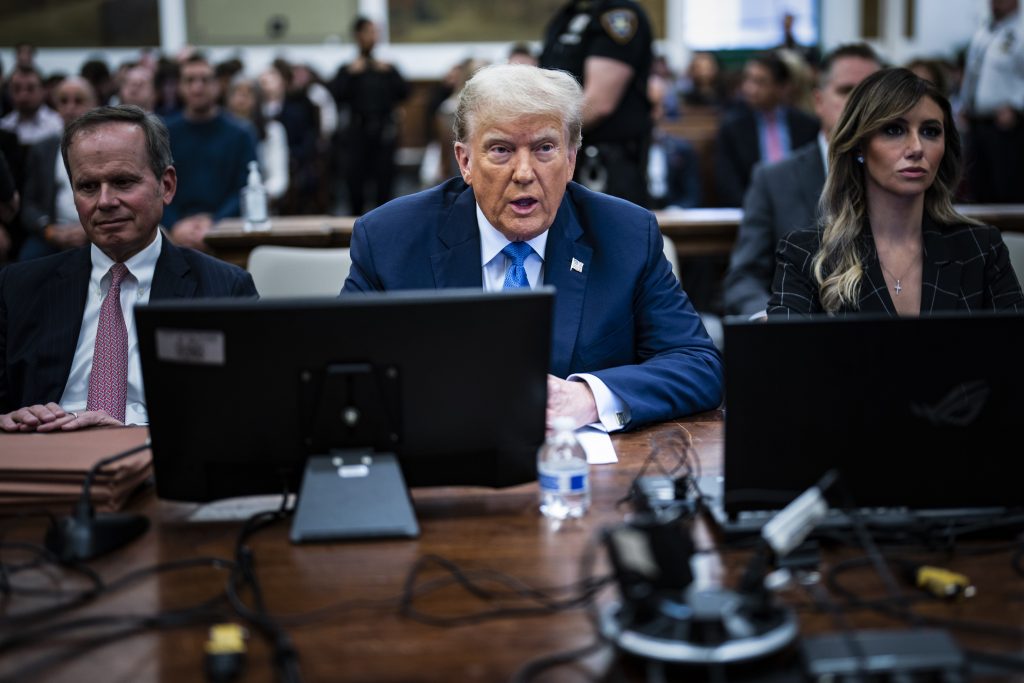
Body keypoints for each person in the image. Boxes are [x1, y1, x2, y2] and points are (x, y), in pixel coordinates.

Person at [342, 64, 723, 430]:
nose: (524, 173)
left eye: (544, 148)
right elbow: (345, 374)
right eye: (501, 150)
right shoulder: (391, 239)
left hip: (582, 463)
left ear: (570, 160)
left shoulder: (625, 235)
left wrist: (588, 398)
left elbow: (698, 365)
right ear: (465, 161)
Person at [0, 105, 258, 432]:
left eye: (122, 182)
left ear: (166, 185)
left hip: (156, 453)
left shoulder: (223, 291)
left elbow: (246, 416)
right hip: (46, 452)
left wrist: (134, 432)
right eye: (88, 187)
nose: (105, 201)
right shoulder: (18, 289)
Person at [767, 68, 1024, 318]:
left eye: (930, 131)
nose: (916, 148)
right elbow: (786, 347)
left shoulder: (980, 248)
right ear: (859, 146)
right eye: (894, 130)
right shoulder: (806, 253)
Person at [723, 44, 882, 317]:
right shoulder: (774, 179)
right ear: (819, 101)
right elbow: (744, 277)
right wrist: (771, 319)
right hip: (797, 328)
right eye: (847, 91)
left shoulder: (902, 176)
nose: (860, 104)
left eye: (872, 93)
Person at [539, 0, 654, 207]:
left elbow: (598, 104)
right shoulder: (568, 15)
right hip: (564, 153)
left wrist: (540, 133)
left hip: (607, 164)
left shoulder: (618, 14)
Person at [162, 53, 257, 250]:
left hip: (228, 232)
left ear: (217, 86)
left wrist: (215, 223)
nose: (197, 87)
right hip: (174, 234)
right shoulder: (163, 132)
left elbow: (245, 187)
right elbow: (155, 185)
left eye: (205, 80)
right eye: (190, 80)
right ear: (180, 87)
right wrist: (175, 225)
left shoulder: (241, 133)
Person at [714, 52, 819, 207]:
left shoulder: (807, 125)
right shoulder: (732, 126)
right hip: (750, 208)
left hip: (801, 209)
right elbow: (728, 183)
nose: (750, 89)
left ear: (783, 87)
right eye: (747, 80)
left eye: (760, 82)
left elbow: (814, 175)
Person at [331, 17, 410, 215]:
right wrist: (350, 74)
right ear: (358, 35)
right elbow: (336, 94)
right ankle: (353, 225)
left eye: (375, 32)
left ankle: (384, 222)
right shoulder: (348, 69)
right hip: (356, 133)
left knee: (385, 182)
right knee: (355, 184)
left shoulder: (386, 68)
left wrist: (389, 72)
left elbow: (404, 92)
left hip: (383, 133)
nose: (373, 36)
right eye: (369, 32)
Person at [18, 76, 98, 261]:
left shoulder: (107, 148)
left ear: (94, 104)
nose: (70, 107)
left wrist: (89, 230)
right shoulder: (42, 149)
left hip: (97, 230)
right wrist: (49, 230)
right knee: (25, 263)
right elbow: (28, 204)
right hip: (52, 232)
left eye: (78, 101)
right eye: (63, 101)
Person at [960, 0, 1024, 202]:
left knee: (1006, 186)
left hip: (1008, 125)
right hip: (977, 121)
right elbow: (973, 72)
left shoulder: (1021, 31)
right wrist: (965, 104)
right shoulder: (984, 31)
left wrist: (1017, 106)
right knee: (978, 185)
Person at [0, 66, 64, 146]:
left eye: (30, 88)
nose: (23, 95)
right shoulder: (4, 126)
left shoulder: (58, 125)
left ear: (43, 91)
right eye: (17, 89)